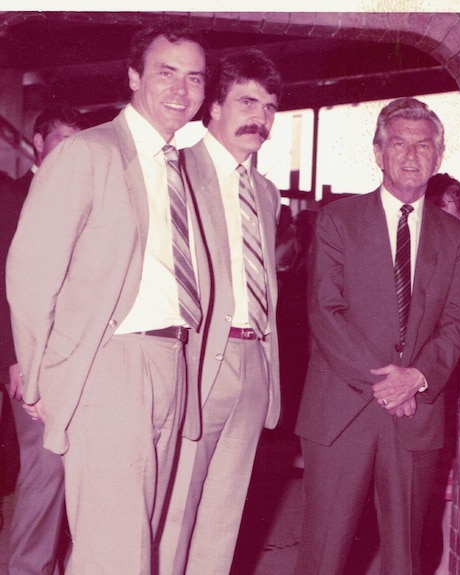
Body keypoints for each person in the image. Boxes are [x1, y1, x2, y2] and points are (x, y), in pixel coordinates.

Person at [6, 25, 207, 574]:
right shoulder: (86, 152)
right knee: (115, 552)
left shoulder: (181, 167)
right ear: (134, 76)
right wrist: (42, 372)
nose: (182, 88)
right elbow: (30, 272)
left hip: (172, 360)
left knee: (135, 542)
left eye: (194, 77)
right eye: (166, 72)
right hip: (110, 365)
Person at [294, 97, 460, 575]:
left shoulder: (455, 237)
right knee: (324, 552)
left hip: (414, 415)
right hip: (341, 413)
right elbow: (325, 313)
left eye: (423, 146)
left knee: (405, 558)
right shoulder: (337, 220)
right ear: (377, 153)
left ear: (438, 158)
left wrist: (416, 378)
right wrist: (389, 385)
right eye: (398, 144)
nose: (411, 155)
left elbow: (459, 320)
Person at [158, 49, 282, 575]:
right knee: (175, 512)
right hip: (197, 362)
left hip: (254, 363)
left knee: (223, 520)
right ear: (213, 107)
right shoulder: (176, 170)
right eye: (247, 101)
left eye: (271, 107)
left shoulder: (266, 192)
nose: (261, 117)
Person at [1, 105, 84, 575]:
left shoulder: (81, 199)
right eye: (61, 141)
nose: (70, 152)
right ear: (38, 143)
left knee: (64, 469)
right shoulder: (11, 199)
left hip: (72, 356)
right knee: (44, 464)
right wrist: (14, 359)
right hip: (27, 357)